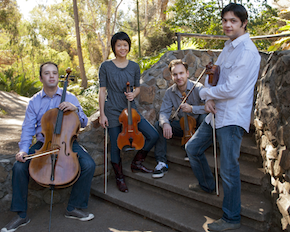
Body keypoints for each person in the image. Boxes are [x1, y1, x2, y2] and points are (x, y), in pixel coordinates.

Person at [185, 3, 261, 231]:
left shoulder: (247, 51)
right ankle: (208, 185)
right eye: (225, 20)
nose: (228, 25)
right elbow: (213, 74)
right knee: (192, 148)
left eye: (233, 21)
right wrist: (208, 97)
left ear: (244, 23)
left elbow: (231, 89)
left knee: (229, 168)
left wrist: (205, 93)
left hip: (232, 117)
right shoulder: (228, 47)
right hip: (215, 112)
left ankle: (231, 218)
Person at [1, 62, 96, 232]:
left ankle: (74, 207)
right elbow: (28, 128)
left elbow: (84, 121)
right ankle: (21, 215)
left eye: (54, 72)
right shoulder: (34, 102)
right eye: (47, 73)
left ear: (58, 77)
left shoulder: (70, 97)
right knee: (19, 166)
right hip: (43, 144)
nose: (51, 76)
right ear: (41, 78)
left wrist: (76, 109)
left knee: (89, 165)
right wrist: (23, 149)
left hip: (68, 142)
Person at [98, 31, 159, 193]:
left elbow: (137, 88)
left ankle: (137, 162)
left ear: (128, 47)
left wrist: (134, 94)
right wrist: (102, 114)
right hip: (112, 110)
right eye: (119, 45)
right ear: (114, 47)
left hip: (131, 110)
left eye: (125, 44)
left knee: (153, 135)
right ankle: (119, 177)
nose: (122, 48)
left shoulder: (134, 66)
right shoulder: (105, 67)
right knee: (115, 145)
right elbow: (102, 91)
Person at [152, 59, 207, 179]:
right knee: (159, 125)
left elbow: (210, 108)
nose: (179, 77)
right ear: (171, 76)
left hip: (199, 127)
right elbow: (164, 112)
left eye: (181, 73)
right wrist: (165, 123)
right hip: (184, 126)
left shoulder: (198, 88)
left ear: (187, 73)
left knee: (205, 118)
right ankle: (161, 162)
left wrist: (192, 109)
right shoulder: (169, 92)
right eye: (175, 74)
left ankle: (196, 147)